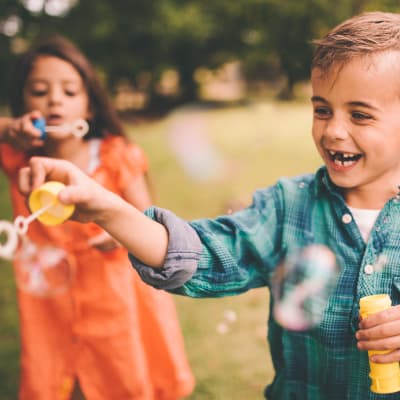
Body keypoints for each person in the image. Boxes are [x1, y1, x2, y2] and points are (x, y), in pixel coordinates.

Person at [17, 10, 400, 399]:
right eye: (322, 109)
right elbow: (197, 255)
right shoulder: (289, 207)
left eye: (359, 115)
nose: (333, 130)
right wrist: (107, 208)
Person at [0, 35, 195, 400]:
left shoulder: (114, 155)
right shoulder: (19, 159)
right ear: (22, 104)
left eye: (70, 91)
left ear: (90, 107)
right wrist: (9, 128)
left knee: (120, 370)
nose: (55, 99)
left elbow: (147, 219)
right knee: (56, 373)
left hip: (114, 294)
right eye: (40, 90)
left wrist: (121, 233)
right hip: (51, 300)